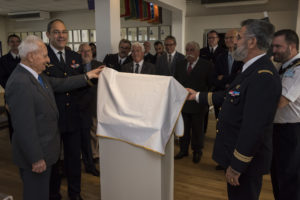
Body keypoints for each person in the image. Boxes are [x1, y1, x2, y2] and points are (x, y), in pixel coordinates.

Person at [187, 19, 281, 200]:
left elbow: (254, 128)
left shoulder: (263, 76)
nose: (234, 41)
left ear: (252, 42)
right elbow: (231, 96)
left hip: (246, 163)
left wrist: (237, 165)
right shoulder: (250, 69)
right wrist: (197, 95)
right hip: (238, 155)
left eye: (238, 37)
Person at [5, 35, 102, 200]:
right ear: (31, 56)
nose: (48, 59)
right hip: (35, 156)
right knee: (36, 194)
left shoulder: (37, 75)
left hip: (46, 151)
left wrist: (87, 76)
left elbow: (61, 84)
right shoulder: (20, 82)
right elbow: (24, 127)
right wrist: (35, 158)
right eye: (44, 55)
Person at [44, 19, 90, 200]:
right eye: (56, 32)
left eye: (63, 32)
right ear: (48, 35)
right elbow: (54, 86)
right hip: (53, 118)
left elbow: (83, 86)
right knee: (53, 161)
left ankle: (75, 194)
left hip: (73, 117)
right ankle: (54, 194)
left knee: (73, 161)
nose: (61, 35)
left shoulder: (75, 57)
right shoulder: (43, 56)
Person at [271, 29, 300, 200]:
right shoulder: (284, 66)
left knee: (289, 179)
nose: (273, 50)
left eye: (278, 46)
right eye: (273, 46)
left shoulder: (297, 69)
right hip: (278, 130)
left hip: (291, 132)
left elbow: (281, 101)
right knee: (278, 176)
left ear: (291, 47)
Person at [174, 41, 212, 163]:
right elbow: (176, 82)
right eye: (187, 50)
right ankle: (183, 150)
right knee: (183, 129)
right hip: (184, 104)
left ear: (198, 52)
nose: (189, 53)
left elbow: (211, 84)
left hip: (198, 104)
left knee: (197, 130)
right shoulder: (180, 64)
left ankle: (197, 151)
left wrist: (205, 99)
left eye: (192, 50)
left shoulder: (207, 65)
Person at [78, 43, 102, 176]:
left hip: (95, 102)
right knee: (84, 135)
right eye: (83, 51)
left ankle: (93, 156)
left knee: (94, 130)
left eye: (88, 51)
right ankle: (87, 158)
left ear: (92, 53)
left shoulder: (99, 64)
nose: (86, 53)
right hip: (79, 105)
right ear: (79, 53)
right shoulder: (75, 66)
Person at [0, 34, 21, 139]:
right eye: (12, 41)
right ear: (8, 44)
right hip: (11, 95)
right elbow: (2, 79)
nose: (15, 44)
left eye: (17, 41)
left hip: (25, 95)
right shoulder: (3, 60)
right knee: (13, 123)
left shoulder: (25, 58)